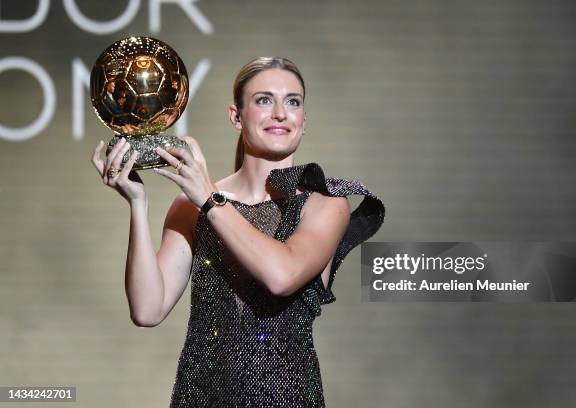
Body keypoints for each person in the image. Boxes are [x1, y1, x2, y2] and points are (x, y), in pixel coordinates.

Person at [91, 56, 385, 407]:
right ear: (236, 116)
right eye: (264, 100)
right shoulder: (191, 207)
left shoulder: (324, 204)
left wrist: (209, 200)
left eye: (293, 102)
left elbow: (282, 275)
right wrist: (137, 204)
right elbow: (147, 310)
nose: (280, 113)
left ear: (303, 120)